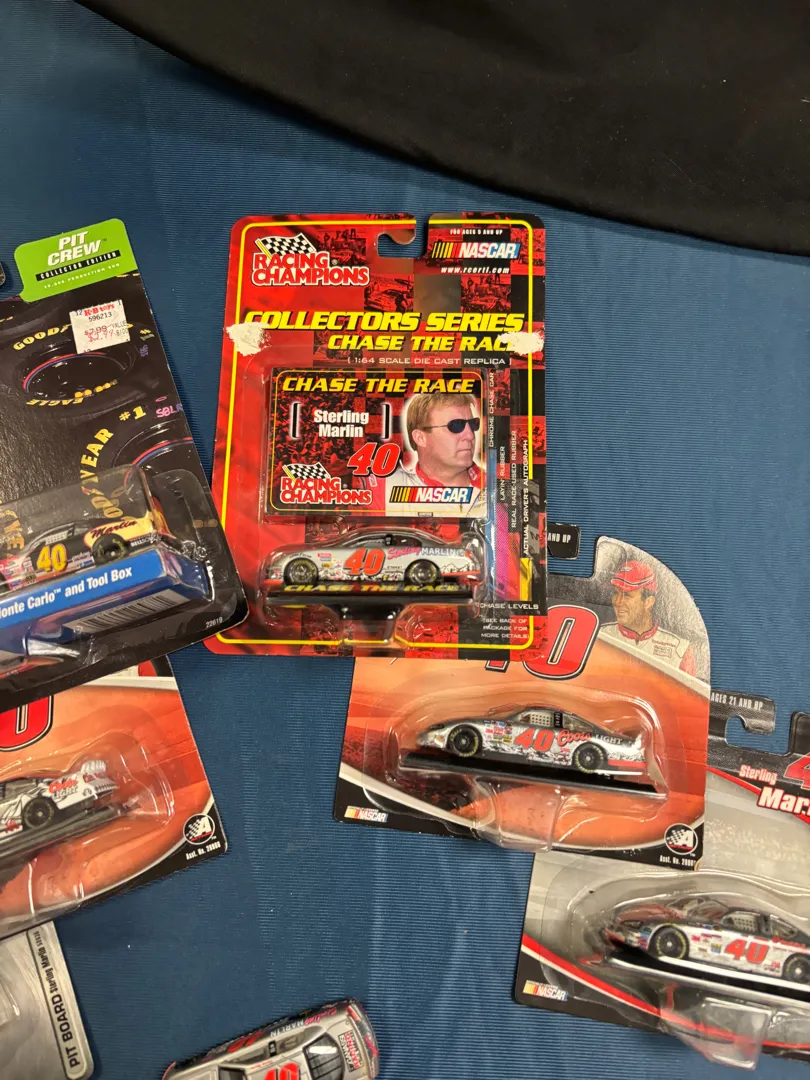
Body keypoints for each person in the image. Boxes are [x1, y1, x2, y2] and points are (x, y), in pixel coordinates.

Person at [386, 392, 483, 514]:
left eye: (473, 424)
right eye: (456, 425)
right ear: (420, 438)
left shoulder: (498, 488)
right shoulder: (387, 491)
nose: (470, 435)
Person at [600, 560, 697, 676]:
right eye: (616, 593)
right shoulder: (598, 637)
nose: (617, 601)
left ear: (649, 602)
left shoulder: (679, 649)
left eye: (626, 595)